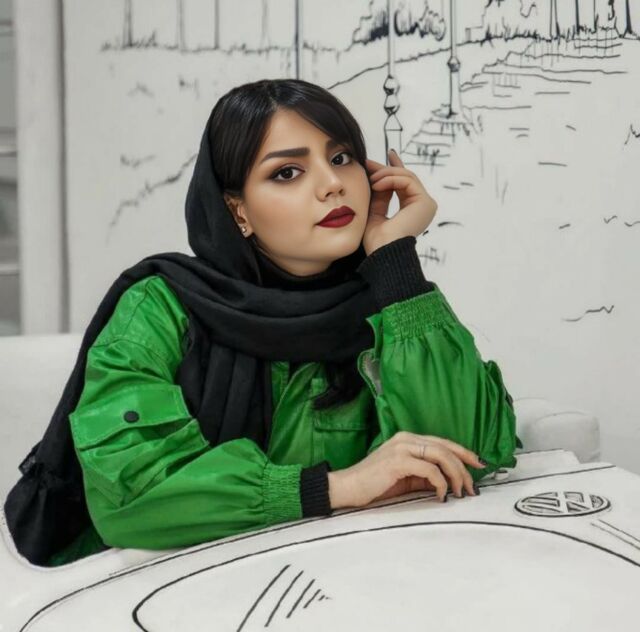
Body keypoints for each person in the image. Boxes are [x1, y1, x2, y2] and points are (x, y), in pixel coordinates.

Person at [5, 78, 521, 567]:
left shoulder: (392, 303)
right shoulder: (161, 307)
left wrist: (394, 260)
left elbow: (460, 458)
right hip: (169, 588)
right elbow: (130, 494)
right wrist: (333, 488)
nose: (332, 185)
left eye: (341, 158)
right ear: (238, 212)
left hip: (349, 577)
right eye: (287, 173)